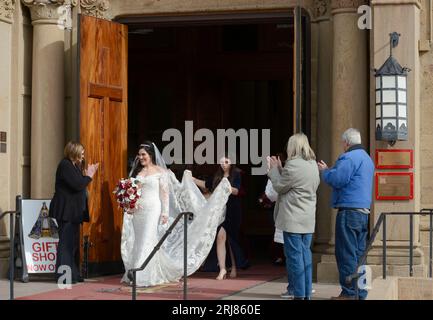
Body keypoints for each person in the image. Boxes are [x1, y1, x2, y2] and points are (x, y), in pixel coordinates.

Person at [121, 142, 232, 287]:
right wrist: (130, 203)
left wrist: (165, 213)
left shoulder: (160, 171)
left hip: (153, 209)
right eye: (140, 154)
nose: (141, 157)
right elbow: (135, 191)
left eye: (144, 154)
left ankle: (143, 275)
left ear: (151, 156)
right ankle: (136, 270)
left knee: (148, 238)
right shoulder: (138, 173)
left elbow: (164, 193)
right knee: (139, 240)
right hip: (139, 211)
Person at [317, 128, 374, 300]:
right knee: (359, 254)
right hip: (363, 212)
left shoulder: (349, 157)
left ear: (347, 142)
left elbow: (338, 179)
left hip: (349, 212)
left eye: (343, 143)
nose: (342, 146)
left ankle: (349, 293)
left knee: (346, 253)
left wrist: (325, 171)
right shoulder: (367, 159)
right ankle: (361, 292)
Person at [268, 133, 320, 300]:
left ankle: (299, 294)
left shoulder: (293, 165)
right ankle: (305, 293)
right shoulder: (312, 164)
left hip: (293, 219)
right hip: (308, 218)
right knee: (305, 255)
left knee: (295, 257)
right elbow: (295, 183)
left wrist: (274, 170)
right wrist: (281, 170)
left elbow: (279, 187)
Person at [49, 141, 99, 284]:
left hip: (73, 212)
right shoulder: (65, 165)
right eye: (81, 152)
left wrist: (85, 175)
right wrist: (89, 175)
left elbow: (78, 183)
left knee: (72, 244)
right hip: (66, 211)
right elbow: (78, 185)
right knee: (66, 244)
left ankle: (74, 274)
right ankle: (64, 276)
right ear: (74, 152)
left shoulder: (74, 166)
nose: (83, 155)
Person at [193, 155, 249, 280]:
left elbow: (238, 191)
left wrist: (227, 187)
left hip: (232, 211)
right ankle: (223, 268)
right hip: (220, 211)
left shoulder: (237, 174)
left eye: (226, 162)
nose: (223, 164)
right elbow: (207, 184)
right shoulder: (217, 175)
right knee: (221, 237)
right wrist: (191, 178)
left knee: (232, 240)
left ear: (231, 162)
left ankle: (234, 266)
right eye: (222, 162)